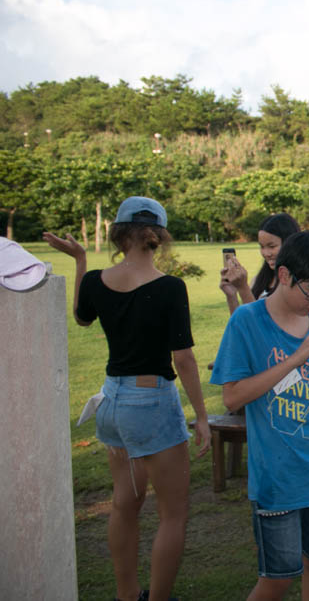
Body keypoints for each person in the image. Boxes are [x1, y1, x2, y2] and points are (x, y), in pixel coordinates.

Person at [43, 196, 211, 601]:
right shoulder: (170, 287)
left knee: (124, 504)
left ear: (118, 234)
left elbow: (83, 316)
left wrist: (81, 260)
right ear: (159, 238)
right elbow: (184, 358)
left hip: (111, 402)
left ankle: (126, 594)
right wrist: (202, 417)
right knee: (173, 513)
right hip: (150, 403)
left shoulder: (99, 280)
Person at [209, 230, 309, 600]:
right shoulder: (246, 322)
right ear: (285, 275)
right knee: (278, 577)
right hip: (278, 475)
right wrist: (296, 357)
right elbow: (232, 398)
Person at [220, 213, 300, 314]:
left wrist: (244, 289)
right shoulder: (258, 280)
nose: (266, 253)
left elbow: (262, 326)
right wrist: (231, 296)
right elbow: (241, 325)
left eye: (272, 246)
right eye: (262, 247)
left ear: (289, 244)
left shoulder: (299, 283)